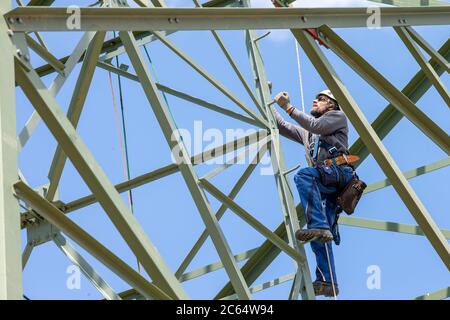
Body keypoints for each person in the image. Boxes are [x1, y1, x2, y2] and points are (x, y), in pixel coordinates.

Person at [273, 89, 356, 297]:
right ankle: (328, 281)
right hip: (325, 178)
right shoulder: (308, 133)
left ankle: (318, 226)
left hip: (338, 173)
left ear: (332, 105)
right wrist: (268, 104)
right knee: (321, 235)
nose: (315, 101)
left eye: (321, 99)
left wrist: (288, 107)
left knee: (304, 176)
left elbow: (315, 125)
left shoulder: (337, 117)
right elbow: (283, 127)